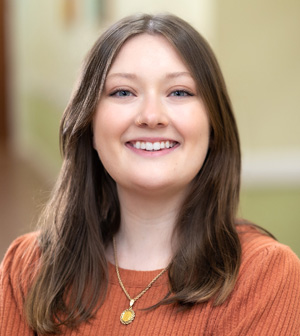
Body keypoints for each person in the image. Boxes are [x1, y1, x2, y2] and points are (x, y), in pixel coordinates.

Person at [1, 13, 300, 336]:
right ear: (89, 125)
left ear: (213, 127)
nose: (151, 116)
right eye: (123, 92)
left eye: (179, 92)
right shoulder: (27, 268)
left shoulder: (268, 277)